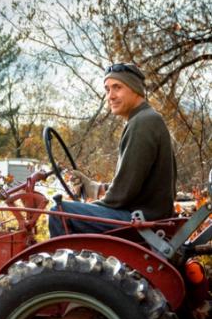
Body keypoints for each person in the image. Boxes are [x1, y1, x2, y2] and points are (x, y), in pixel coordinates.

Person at [48, 63, 176, 237]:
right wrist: (95, 187)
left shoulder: (142, 123)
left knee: (59, 212)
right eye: (107, 90)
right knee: (69, 211)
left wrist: (91, 207)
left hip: (141, 221)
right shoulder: (145, 119)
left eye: (117, 88)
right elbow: (133, 185)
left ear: (135, 89)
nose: (110, 96)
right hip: (143, 215)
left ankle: (65, 264)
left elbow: (122, 194)